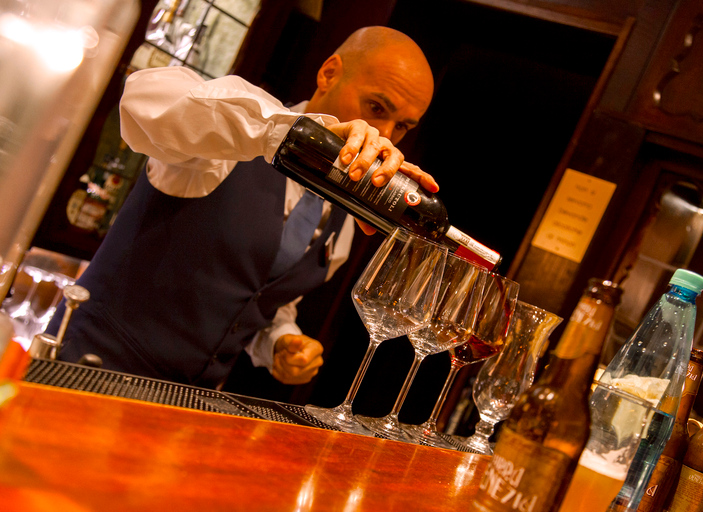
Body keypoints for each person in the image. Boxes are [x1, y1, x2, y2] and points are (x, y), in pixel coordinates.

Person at [46, 26, 436, 389]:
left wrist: (281, 342)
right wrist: (293, 135)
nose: (383, 135)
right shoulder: (235, 135)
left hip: (188, 409)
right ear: (329, 73)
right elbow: (145, 98)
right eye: (376, 107)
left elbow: (259, 300)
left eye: (401, 126)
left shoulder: (344, 222)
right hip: (86, 372)